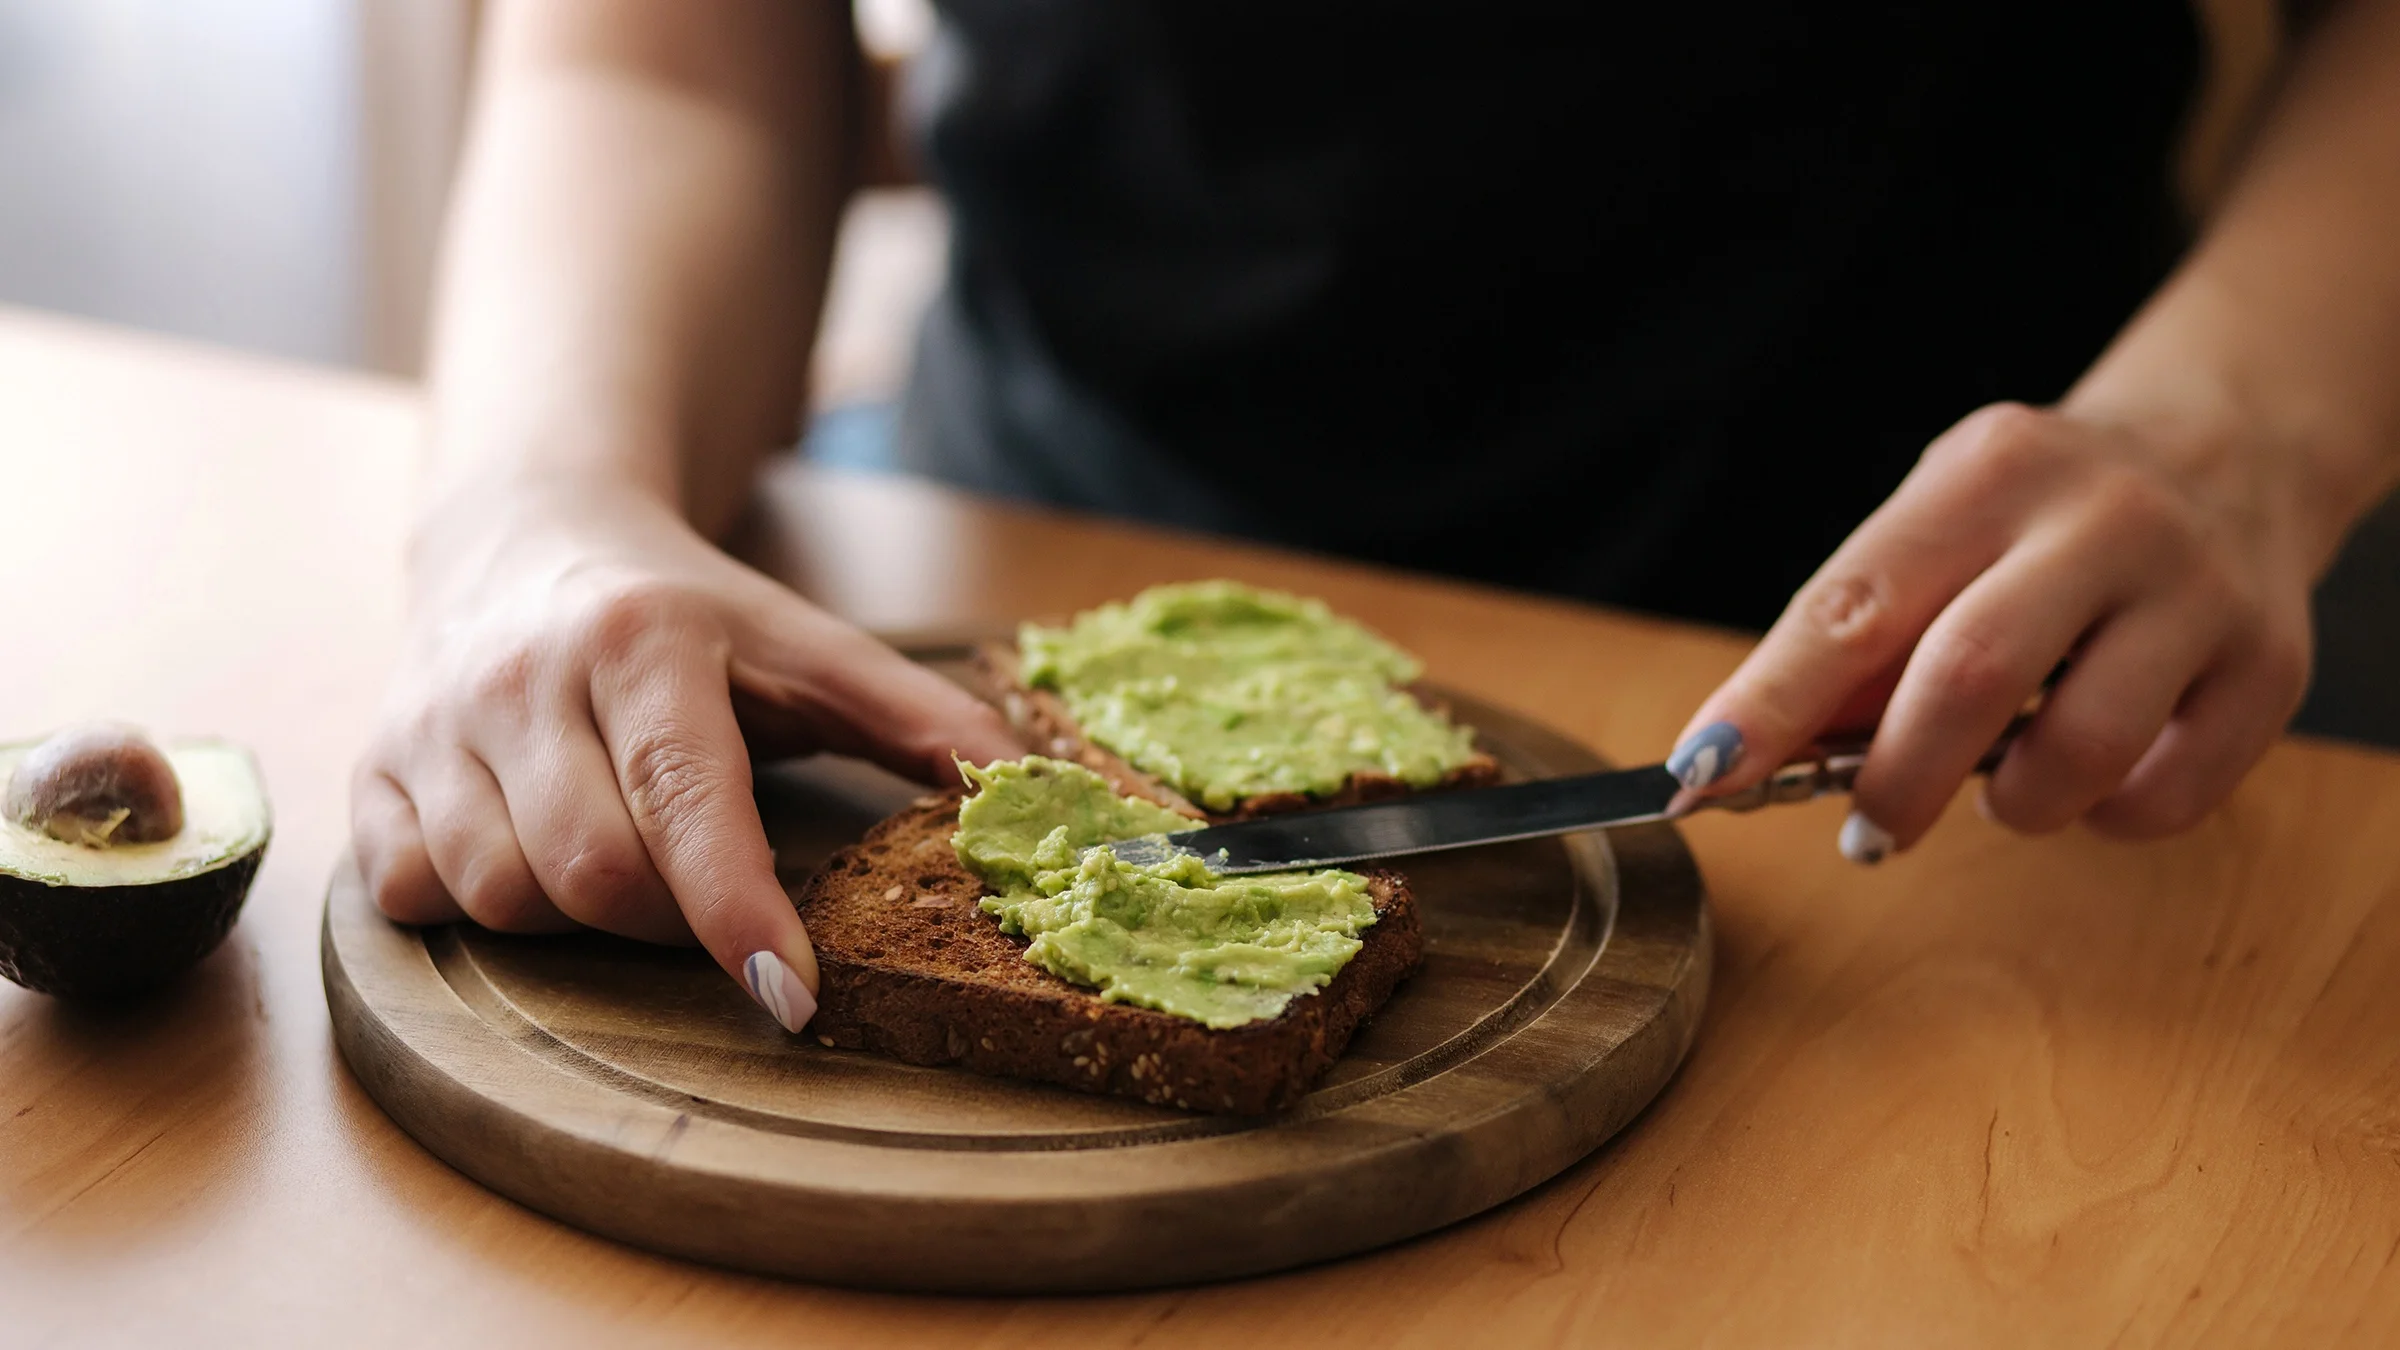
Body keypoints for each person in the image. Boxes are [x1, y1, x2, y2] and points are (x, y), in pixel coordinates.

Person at [353, 0, 2400, 1032]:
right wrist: (535, 501)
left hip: (2007, 637)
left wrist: (2246, 423)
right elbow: (675, 59)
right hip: (1023, 540)